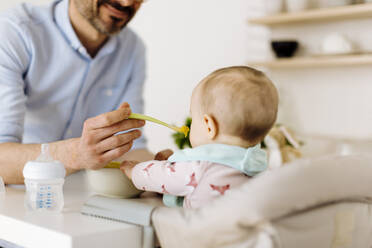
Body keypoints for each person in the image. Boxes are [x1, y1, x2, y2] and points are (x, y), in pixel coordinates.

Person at [0, 0, 154, 185]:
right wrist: (75, 154)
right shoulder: (15, 31)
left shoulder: (132, 49)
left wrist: (162, 171)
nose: (127, 2)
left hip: (80, 199)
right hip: (15, 196)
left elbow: (133, 147)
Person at [121, 66, 279, 209]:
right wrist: (172, 163)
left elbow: (161, 176)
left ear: (209, 126)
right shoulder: (260, 169)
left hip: (202, 238)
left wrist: (135, 171)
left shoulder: (201, 167)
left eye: (193, 118)